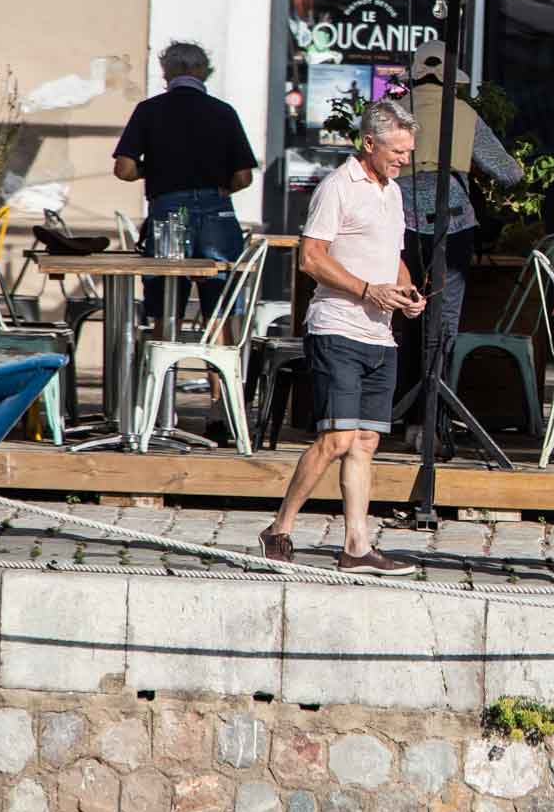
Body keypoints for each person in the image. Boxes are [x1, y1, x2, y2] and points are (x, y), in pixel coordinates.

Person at [259, 100, 428, 575]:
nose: (404, 159)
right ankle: (280, 528)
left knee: (366, 442)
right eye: (397, 150)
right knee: (337, 438)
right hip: (336, 327)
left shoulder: (392, 191)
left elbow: (390, 257)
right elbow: (311, 258)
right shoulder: (338, 187)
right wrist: (366, 290)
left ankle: (356, 546)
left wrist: (407, 289)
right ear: (369, 143)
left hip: (381, 334)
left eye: (408, 151)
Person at [394, 40, 521, 422]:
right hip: (453, 223)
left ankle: (395, 408)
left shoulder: (390, 113)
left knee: (398, 313)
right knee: (443, 318)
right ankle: (433, 416)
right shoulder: (464, 114)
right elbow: (510, 172)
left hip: (395, 224)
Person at [111, 40, 256, 323]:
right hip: (217, 213)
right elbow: (243, 176)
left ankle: (162, 364)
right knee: (221, 312)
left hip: (167, 215)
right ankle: (220, 367)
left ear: (167, 72)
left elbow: (124, 169)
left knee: (164, 311)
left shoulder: (148, 110)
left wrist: (151, 169)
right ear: (203, 72)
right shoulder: (223, 112)